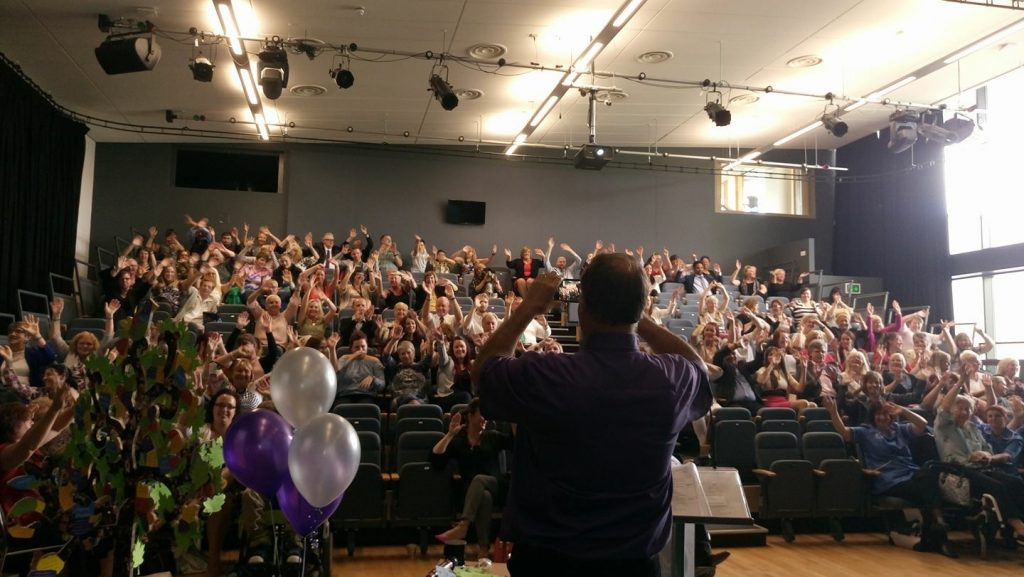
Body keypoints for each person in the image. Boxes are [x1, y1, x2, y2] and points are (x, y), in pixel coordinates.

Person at [473, 256, 712, 577]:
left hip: (547, 563)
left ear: (582, 309)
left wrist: (529, 307)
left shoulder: (546, 375)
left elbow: (484, 373)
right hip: (634, 565)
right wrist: (637, 317)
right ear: (640, 307)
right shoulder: (671, 379)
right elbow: (698, 366)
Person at [822, 396, 955, 556]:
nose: (883, 417)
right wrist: (833, 412)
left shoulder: (899, 429)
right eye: (879, 414)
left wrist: (904, 411)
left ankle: (933, 534)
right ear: (873, 416)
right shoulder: (865, 431)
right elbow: (844, 432)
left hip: (912, 474)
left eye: (886, 414)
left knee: (929, 471)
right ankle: (939, 529)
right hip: (889, 480)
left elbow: (922, 424)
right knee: (927, 487)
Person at [431, 399, 514, 556]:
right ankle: (483, 548)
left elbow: (515, 443)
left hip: (497, 486)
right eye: (482, 414)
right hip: (472, 494)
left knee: (479, 479)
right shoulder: (459, 442)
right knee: (484, 496)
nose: (485, 419)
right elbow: (436, 459)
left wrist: (513, 418)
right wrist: (450, 435)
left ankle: (463, 526)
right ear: (470, 416)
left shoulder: (492, 436)